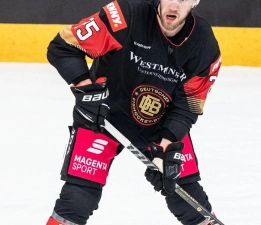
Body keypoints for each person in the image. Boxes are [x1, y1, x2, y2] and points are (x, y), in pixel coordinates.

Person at [46, 0, 222, 224]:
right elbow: (62, 47)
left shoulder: (204, 45)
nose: (175, 6)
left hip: (160, 125)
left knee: (186, 197)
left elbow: (190, 105)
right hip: (101, 117)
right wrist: (86, 91)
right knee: (77, 199)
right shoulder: (125, 15)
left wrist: (168, 144)